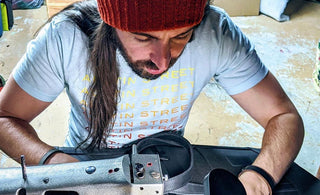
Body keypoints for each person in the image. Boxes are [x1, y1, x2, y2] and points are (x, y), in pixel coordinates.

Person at [0, 0, 304, 194]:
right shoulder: (66, 37)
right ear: (113, 22)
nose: (162, 61)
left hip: (169, 165)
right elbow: (4, 118)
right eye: (144, 37)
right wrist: (53, 161)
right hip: (86, 166)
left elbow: (283, 116)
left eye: (181, 36)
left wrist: (262, 174)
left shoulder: (216, 33)